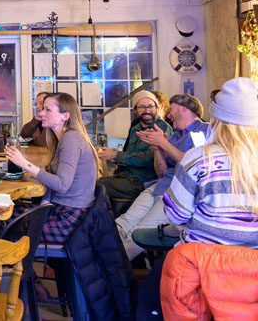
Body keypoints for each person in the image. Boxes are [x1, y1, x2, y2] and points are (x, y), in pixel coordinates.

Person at [136, 78, 258, 320]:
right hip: (250, 273)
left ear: (217, 121)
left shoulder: (199, 158)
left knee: (147, 301)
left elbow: (176, 215)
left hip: (197, 268)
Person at [115, 94, 209, 260]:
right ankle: (98, 259)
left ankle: (110, 269)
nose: (169, 115)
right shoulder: (174, 137)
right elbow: (161, 172)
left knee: (139, 231)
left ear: (184, 108)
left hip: (176, 193)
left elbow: (195, 165)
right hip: (158, 186)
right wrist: (157, 148)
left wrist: (163, 143)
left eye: (171, 109)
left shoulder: (203, 130)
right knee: (123, 223)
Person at [6, 92, 101, 243]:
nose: (41, 113)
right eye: (42, 109)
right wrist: (42, 207)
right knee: (1, 212)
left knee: (0, 221)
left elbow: (62, 185)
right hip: (61, 210)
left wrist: (24, 163)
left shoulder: (71, 139)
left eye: (47, 110)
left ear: (65, 116)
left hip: (69, 219)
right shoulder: (62, 138)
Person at [97, 91, 172, 203]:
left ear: (157, 108)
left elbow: (149, 158)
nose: (147, 110)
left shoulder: (162, 128)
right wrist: (113, 155)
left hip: (145, 182)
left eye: (150, 106)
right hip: (128, 177)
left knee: (97, 186)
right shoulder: (135, 128)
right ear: (135, 110)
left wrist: (117, 155)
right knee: (95, 181)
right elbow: (130, 156)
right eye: (142, 107)